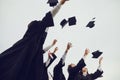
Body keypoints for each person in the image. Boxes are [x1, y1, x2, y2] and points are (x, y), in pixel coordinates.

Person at [0, 0, 68, 80]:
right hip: (18, 63)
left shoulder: (35, 45)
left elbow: (42, 46)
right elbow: (46, 20)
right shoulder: (32, 38)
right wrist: (60, 4)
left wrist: (52, 45)